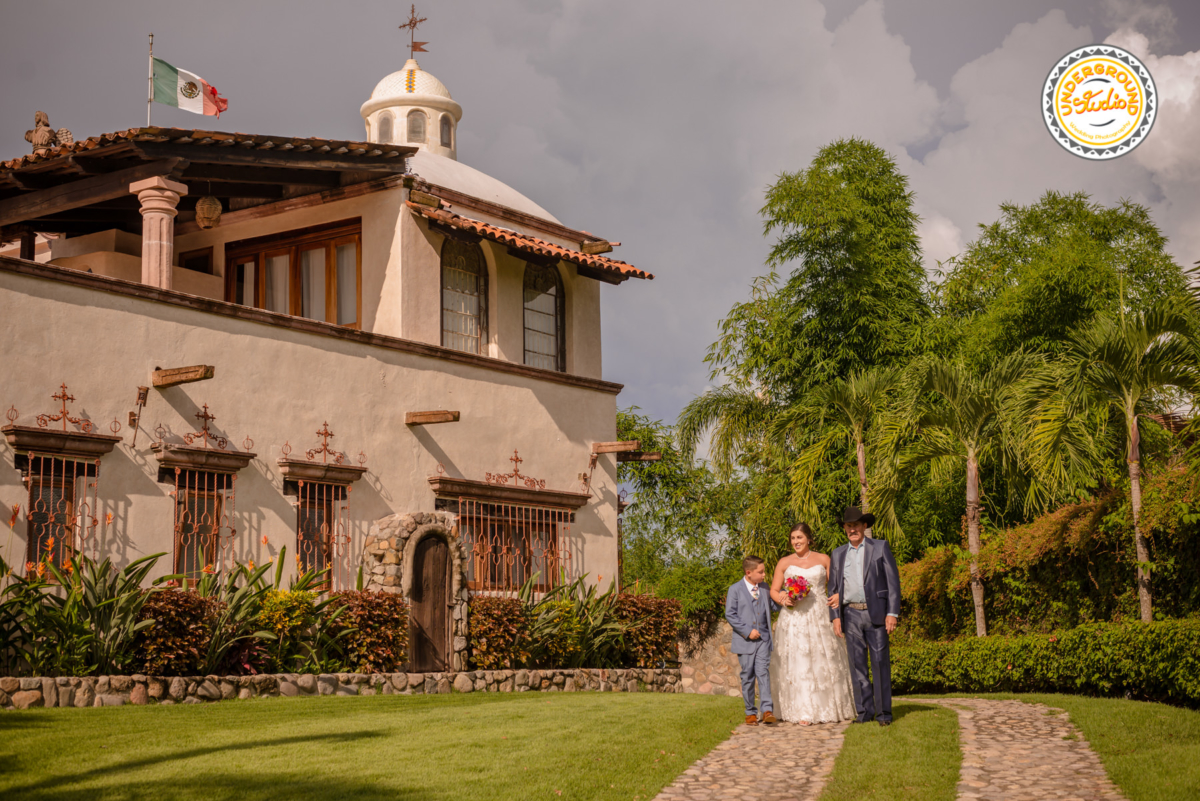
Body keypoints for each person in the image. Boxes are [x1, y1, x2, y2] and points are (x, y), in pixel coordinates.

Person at [767, 522, 856, 724]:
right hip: (793, 618)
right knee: (797, 662)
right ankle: (802, 711)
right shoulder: (784, 562)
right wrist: (782, 597)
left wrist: (838, 596)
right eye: (793, 538)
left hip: (819, 616)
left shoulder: (824, 559)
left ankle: (828, 708)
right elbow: (773, 590)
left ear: (808, 538)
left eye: (799, 537)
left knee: (822, 660)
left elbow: (838, 584)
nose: (796, 542)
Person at [826, 506, 902, 726]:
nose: (852, 529)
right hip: (850, 614)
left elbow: (893, 583)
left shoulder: (880, 547)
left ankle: (884, 714)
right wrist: (836, 617)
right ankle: (864, 711)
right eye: (849, 526)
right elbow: (833, 589)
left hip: (876, 613)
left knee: (880, 663)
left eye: (856, 525)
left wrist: (892, 612)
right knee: (857, 665)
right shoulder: (838, 553)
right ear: (845, 529)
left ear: (864, 526)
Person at [725, 555, 779, 726]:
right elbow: (730, 614)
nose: (764, 575)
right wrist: (748, 632)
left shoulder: (764, 588)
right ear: (748, 573)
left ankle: (767, 710)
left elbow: (773, 607)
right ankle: (750, 713)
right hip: (745, 641)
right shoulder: (735, 590)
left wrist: (784, 596)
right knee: (748, 676)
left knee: (763, 673)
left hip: (763, 639)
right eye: (760, 572)